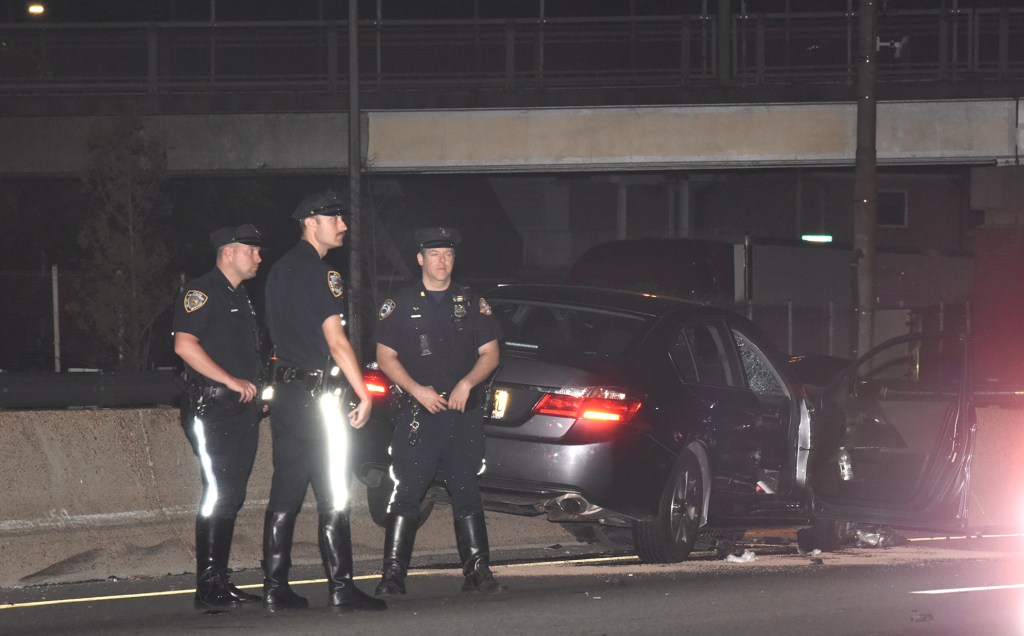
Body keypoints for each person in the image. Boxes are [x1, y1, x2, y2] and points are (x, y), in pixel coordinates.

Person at [260, 189, 385, 612]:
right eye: (335, 218)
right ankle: (341, 586)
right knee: (333, 489)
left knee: (287, 490)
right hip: (318, 399)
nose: (344, 226)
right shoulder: (320, 272)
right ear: (311, 221)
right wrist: (364, 391)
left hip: (287, 396)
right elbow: (336, 340)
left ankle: (275, 587)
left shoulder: (277, 270)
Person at [373, 227, 505, 596]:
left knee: (466, 489)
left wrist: (467, 383)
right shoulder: (398, 304)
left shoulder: (471, 301)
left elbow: (491, 353)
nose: (441, 261)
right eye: (433, 254)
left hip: (463, 414)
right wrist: (416, 390)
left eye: (447, 254)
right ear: (420, 259)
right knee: (408, 493)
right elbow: (386, 356)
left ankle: (478, 572)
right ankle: (393, 577)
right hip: (420, 415)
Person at [172, 223, 265, 610]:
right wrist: (229, 380)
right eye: (252, 250)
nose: (259, 257)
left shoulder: (240, 296)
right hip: (212, 408)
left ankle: (218, 580)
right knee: (218, 494)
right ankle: (208, 585)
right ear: (228, 251)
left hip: (239, 409)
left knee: (231, 495)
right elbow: (183, 344)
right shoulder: (202, 291)